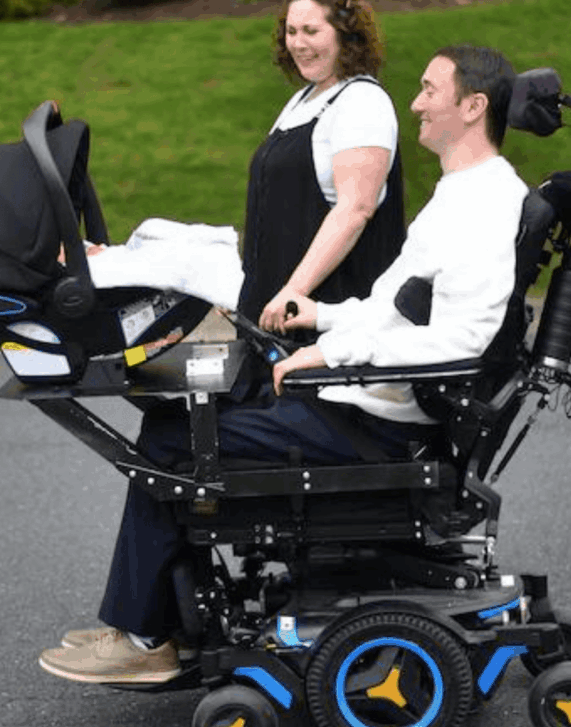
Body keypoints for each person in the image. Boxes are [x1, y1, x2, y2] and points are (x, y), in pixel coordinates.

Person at [38, 44, 529, 686]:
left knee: (169, 436)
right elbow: (396, 311)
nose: (415, 102)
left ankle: (144, 635)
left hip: (379, 421)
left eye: (430, 90)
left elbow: (464, 339)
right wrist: (320, 317)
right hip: (372, 401)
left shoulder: (484, 205)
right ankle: (158, 618)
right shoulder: (463, 192)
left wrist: (333, 352)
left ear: (473, 106)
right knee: (189, 414)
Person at [239, 0, 405, 336]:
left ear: (346, 35)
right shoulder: (304, 100)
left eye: (311, 31)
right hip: (274, 309)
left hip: (325, 316)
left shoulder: (362, 102)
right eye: (292, 31)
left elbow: (355, 210)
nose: (298, 43)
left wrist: (294, 291)